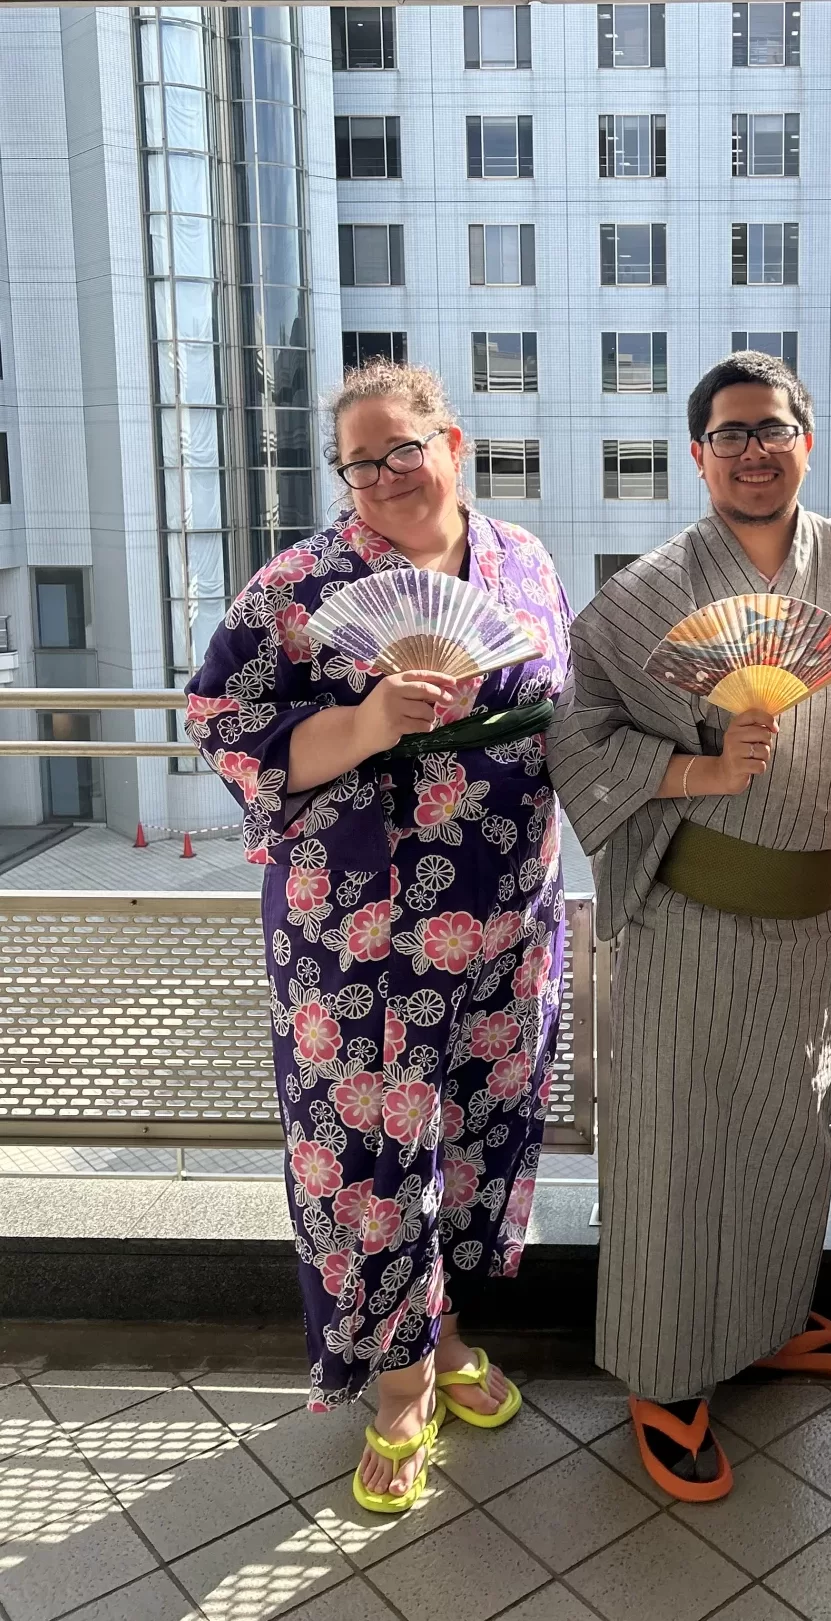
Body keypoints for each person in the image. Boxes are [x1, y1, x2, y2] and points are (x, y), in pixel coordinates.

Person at [185, 360, 570, 1513]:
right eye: (361, 462)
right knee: (366, 1154)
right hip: (359, 936)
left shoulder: (527, 562)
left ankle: (444, 1333)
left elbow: (566, 708)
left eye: (404, 449)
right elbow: (222, 722)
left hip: (506, 914)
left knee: (472, 1132)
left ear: (451, 440)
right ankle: (399, 1380)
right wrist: (363, 721)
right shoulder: (298, 585)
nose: (386, 477)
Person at [547, 352, 831, 1501]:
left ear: (808, 440)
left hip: (816, 914)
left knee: (785, 1136)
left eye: (773, 428)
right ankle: (664, 1374)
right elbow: (571, 734)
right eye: (729, 434)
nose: (753, 450)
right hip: (691, 915)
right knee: (671, 1148)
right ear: (696, 454)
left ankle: (762, 1318)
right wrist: (687, 771)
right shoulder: (645, 592)